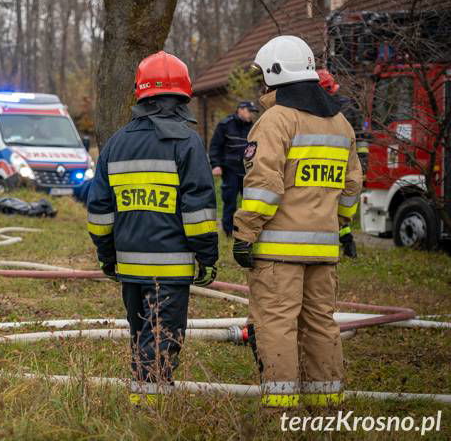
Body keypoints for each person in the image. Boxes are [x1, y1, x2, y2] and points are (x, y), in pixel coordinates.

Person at [232, 36, 362, 408]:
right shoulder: (340, 124)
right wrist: (337, 223)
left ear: (274, 73)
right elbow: (352, 185)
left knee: (277, 325)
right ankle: (325, 407)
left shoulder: (276, 120)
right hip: (323, 247)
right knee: (321, 322)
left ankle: (281, 410)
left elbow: (263, 185)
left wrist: (245, 233)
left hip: (278, 252)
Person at [86, 51, 219, 406]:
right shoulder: (187, 143)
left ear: (140, 93)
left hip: (129, 266)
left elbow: (99, 210)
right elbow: (199, 209)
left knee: (141, 332)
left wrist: (107, 257)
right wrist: (208, 256)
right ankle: (148, 407)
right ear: (183, 94)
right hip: (171, 267)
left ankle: (147, 398)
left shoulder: (116, 143)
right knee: (161, 337)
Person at [209, 100, 259, 236]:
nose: (251, 115)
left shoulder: (253, 128)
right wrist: (216, 165)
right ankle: (228, 232)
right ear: (240, 110)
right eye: (250, 111)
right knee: (229, 201)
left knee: (249, 202)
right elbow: (215, 146)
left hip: (247, 171)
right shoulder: (226, 125)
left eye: (253, 113)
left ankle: (246, 232)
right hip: (230, 169)